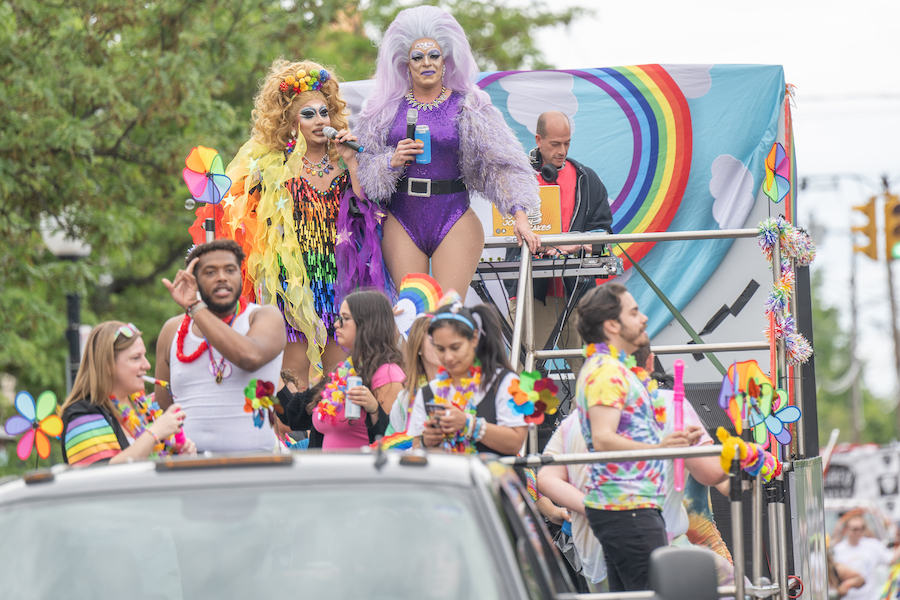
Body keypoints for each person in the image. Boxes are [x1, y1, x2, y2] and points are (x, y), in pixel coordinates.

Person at [206, 58, 386, 388]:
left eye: (324, 112)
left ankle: (334, 435)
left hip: (340, 282)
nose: (319, 121)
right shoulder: (272, 165)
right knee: (292, 375)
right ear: (290, 121)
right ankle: (293, 440)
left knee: (341, 377)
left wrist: (352, 161)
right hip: (293, 285)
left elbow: (367, 206)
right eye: (308, 114)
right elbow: (240, 215)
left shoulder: (344, 161)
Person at [355, 5, 541, 299]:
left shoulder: (470, 105)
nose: (426, 62)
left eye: (434, 55)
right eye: (418, 57)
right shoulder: (384, 111)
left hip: (454, 215)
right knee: (413, 315)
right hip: (402, 218)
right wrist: (391, 160)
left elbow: (501, 163)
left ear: (446, 61)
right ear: (406, 64)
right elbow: (363, 168)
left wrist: (519, 213)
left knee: (447, 314)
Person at [537, 344, 732, 588]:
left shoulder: (578, 419)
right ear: (649, 364)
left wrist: (591, 507)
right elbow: (713, 473)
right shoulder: (669, 405)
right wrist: (743, 459)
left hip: (599, 555)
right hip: (663, 545)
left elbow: (545, 478)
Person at [572, 282, 692, 592]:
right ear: (612, 325)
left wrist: (670, 441)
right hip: (626, 508)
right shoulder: (605, 372)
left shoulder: (614, 369)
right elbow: (602, 438)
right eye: (635, 312)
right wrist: (660, 446)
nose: (644, 319)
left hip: (629, 506)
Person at [505, 110, 614, 376]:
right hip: (532, 290)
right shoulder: (518, 178)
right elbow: (505, 230)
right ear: (538, 140)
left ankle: (589, 415)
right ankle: (525, 419)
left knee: (594, 372)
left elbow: (604, 234)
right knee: (523, 371)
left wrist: (576, 244)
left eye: (567, 143)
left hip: (578, 290)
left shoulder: (586, 179)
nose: (562, 150)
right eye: (555, 144)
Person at [155, 239, 287, 453]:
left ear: (240, 276)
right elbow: (163, 399)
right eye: (210, 272)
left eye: (230, 270)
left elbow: (249, 357)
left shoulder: (264, 316)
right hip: (188, 466)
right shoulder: (172, 330)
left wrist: (195, 307)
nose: (222, 277)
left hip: (257, 463)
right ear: (194, 281)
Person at [60, 321, 197, 467]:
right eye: (136, 358)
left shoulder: (141, 406)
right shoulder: (82, 413)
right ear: (108, 364)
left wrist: (177, 454)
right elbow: (100, 474)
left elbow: (151, 461)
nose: (147, 365)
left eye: (144, 356)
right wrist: (154, 433)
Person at [407, 303, 527, 456]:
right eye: (440, 349)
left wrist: (468, 424)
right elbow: (417, 447)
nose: (448, 357)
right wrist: (427, 441)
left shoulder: (507, 382)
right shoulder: (428, 392)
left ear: (474, 338)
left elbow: (515, 443)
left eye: (455, 347)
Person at [312, 290, 405, 449]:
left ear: (368, 323)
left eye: (345, 319)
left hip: (361, 472)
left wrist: (374, 409)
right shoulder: (346, 370)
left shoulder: (387, 373)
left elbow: (394, 439)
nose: (336, 324)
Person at [387, 316, 442, 436]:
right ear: (419, 346)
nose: (440, 343)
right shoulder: (404, 399)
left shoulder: (461, 389)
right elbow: (391, 445)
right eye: (432, 337)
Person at [832, 513, 899, 600]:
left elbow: (890, 559)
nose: (858, 532)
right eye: (854, 529)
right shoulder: (837, 550)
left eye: (862, 528)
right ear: (845, 530)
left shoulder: (872, 545)